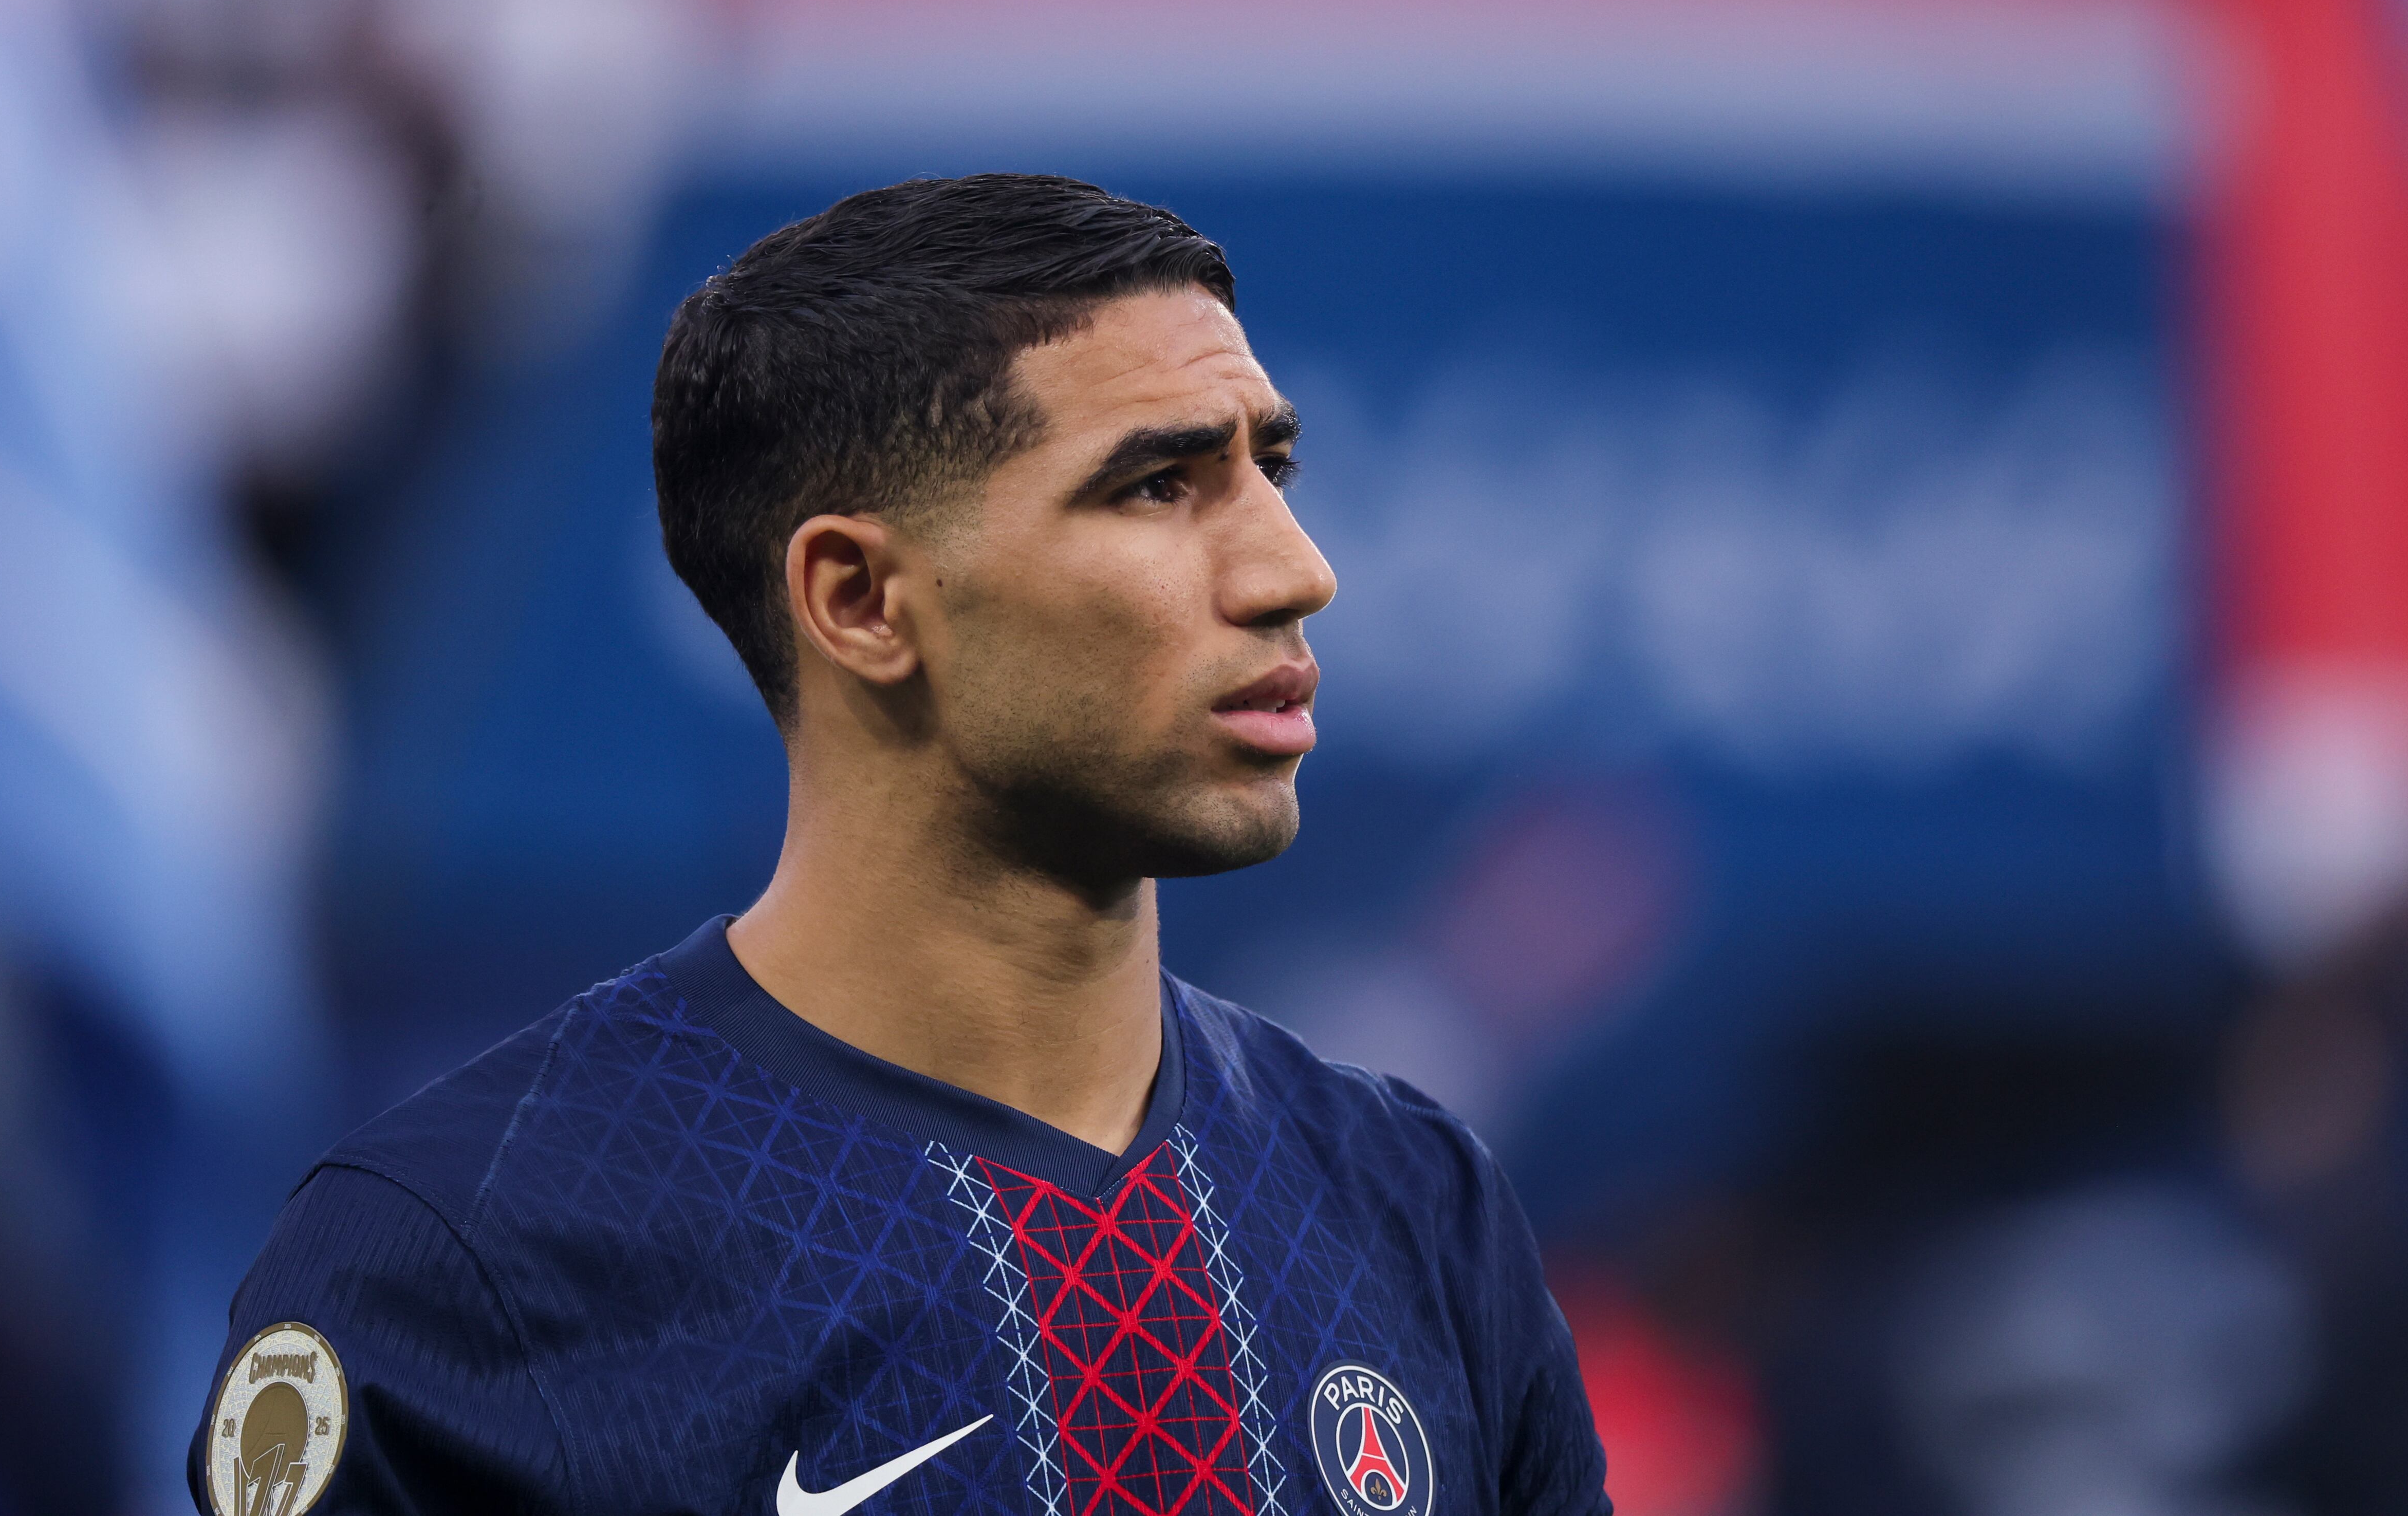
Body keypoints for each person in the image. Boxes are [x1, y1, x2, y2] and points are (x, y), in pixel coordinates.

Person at [189, 174, 1610, 1516]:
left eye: (1271, 468)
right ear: (860, 599)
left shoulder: (1418, 1204)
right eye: (1160, 485)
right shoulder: (462, 1256)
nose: (1296, 567)